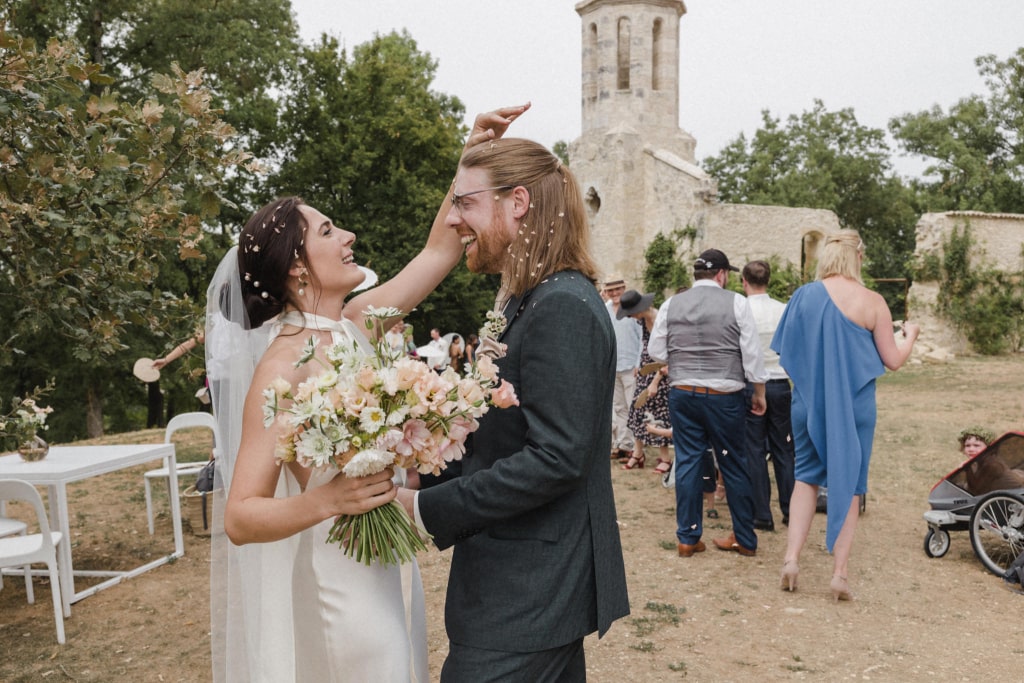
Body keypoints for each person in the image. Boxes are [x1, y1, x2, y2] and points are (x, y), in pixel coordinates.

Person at [207, 103, 531, 682]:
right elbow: (240, 516)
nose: (349, 235)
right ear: (297, 271)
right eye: (328, 231)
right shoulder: (283, 366)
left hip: (382, 563)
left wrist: (469, 158)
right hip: (338, 580)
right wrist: (328, 500)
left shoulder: (357, 323)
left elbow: (440, 251)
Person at [396, 136, 629, 681]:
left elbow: (557, 458)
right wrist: (419, 470)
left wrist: (426, 508)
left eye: (464, 202)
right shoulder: (531, 301)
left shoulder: (562, 306)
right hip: (517, 583)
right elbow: (502, 439)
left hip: (532, 593)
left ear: (517, 203)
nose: (453, 220)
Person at [772, 229, 919, 602]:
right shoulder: (873, 302)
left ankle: (791, 560)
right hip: (855, 404)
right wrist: (911, 335)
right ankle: (839, 573)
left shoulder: (803, 296)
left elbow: (787, 355)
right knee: (850, 482)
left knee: (805, 477)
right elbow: (893, 360)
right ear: (859, 258)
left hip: (808, 400)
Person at [648, 249, 768, 559]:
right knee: (731, 462)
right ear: (722, 274)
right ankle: (744, 537)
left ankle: (688, 537)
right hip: (724, 398)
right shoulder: (736, 302)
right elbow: (752, 353)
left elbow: (656, 349)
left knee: (688, 460)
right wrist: (759, 392)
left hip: (684, 394)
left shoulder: (673, 304)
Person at [740, 260, 795, 532]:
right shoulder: (783, 309)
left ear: (744, 282)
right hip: (780, 383)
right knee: (785, 449)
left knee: (754, 450)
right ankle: (790, 509)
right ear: (769, 280)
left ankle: (762, 512)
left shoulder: (740, 308)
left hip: (751, 384)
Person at [618, 289, 672, 473]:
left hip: (661, 371)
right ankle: (638, 453)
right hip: (645, 369)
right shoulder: (642, 320)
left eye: (630, 313)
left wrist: (655, 381)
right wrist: (638, 365)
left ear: (639, 309)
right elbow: (644, 344)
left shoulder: (660, 320)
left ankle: (665, 458)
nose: (630, 317)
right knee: (638, 409)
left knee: (658, 413)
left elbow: (667, 354)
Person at [604, 276, 642, 461]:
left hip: (631, 366)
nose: (615, 293)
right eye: (611, 290)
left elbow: (643, 337)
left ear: (624, 288)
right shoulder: (605, 309)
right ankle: (622, 444)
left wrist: (638, 363)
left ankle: (636, 449)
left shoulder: (633, 307)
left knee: (633, 406)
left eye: (618, 289)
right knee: (618, 407)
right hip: (614, 366)